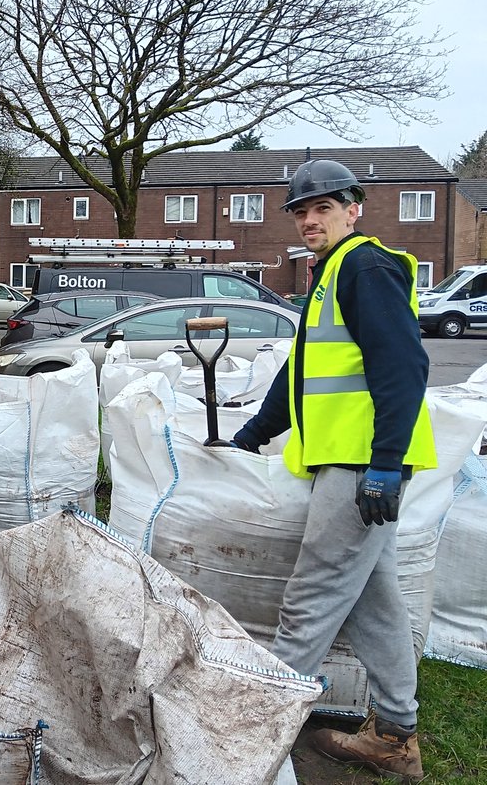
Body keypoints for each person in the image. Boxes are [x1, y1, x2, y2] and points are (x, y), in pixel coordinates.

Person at [224, 159, 436, 782]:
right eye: (301, 210)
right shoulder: (331, 274)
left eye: (323, 207)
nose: (310, 219)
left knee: (310, 599)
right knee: (375, 604)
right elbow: (302, 370)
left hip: (363, 466)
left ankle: (252, 737)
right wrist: (255, 431)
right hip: (352, 463)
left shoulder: (365, 268)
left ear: (353, 209)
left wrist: (386, 463)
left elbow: (404, 367)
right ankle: (395, 735)